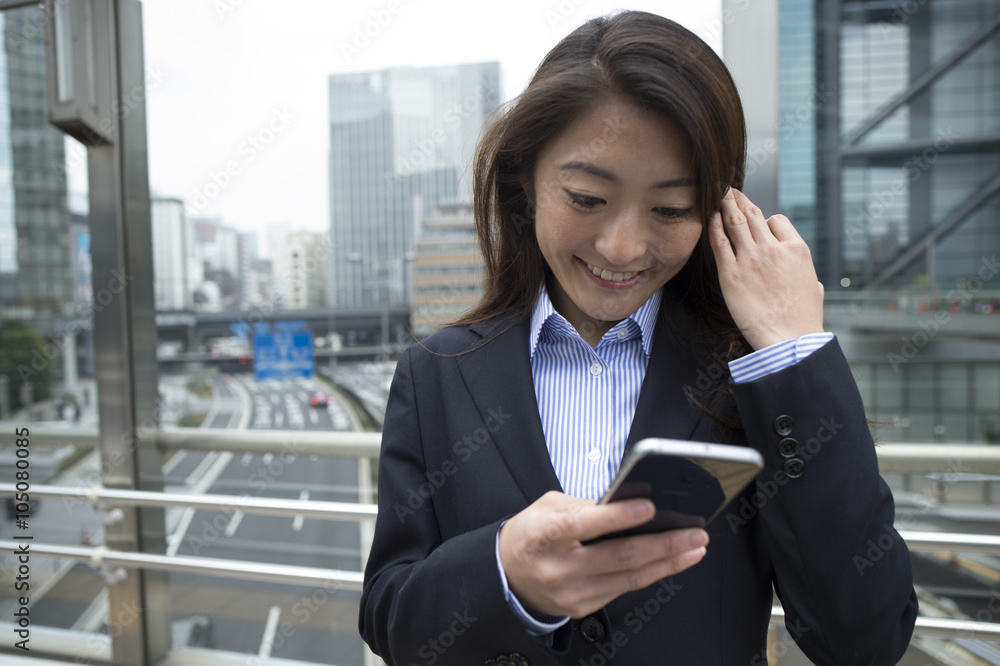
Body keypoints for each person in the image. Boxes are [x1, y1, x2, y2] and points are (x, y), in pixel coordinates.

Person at [359, 10, 918, 665]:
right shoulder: (437, 374)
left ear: (717, 209)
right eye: (587, 198)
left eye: (671, 209)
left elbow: (864, 640)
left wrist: (793, 349)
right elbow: (390, 617)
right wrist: (504, 575)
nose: (621, 247)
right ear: (525, 183)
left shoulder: (752, 375)